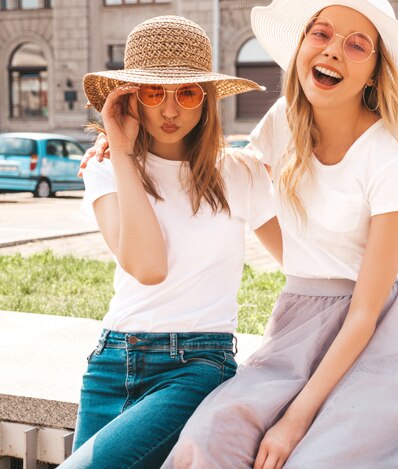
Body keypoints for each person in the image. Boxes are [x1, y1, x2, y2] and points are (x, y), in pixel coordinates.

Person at [163, 1, 398, 468]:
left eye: (357, 45)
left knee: (314, 459)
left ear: (374, 72)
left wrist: (294, 420)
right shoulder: (282, 121)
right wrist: (130, 147)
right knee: (207, 440)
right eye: (322, 34)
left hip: (376, 339)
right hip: (297, 329)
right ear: (302, 47)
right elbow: (232, 178)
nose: (333, 50)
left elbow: (365, 311)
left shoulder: (386, 155)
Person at [60, 15, 281, 469]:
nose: (169, 109)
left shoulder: (238, 174)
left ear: (207, 99)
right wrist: (121, 150)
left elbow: (304, 264)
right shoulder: (105, 168)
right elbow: (146, 265)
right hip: (111, 363)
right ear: (130, 98)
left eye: (187, 92)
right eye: (153, 92)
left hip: (197, 366)